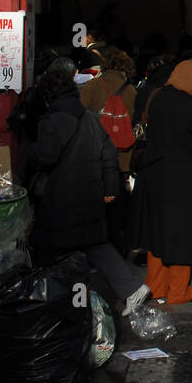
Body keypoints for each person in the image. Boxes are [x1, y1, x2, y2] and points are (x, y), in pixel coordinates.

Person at [27, 59, 149, 315]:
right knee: (93, 242)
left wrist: (31, 153)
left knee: (50, 245)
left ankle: (48, 299)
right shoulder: (91, 118)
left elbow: (46, 158)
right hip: (91, 190)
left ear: (48, 96)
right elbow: (108, 154)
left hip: (62, 194)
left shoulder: (51, 121)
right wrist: (109, 188)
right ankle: (129, 287)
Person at [127, 59, 192, 306]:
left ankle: (156, 287)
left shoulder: (158, 99)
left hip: (155, 176)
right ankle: (179, 292)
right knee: (182, 236)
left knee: (157, 235)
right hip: (185, 181)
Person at [80, 47, 138, 256]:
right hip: (122, 158)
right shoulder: (131, 92)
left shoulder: (93, 86)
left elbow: (80, 117)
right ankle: (118, 248)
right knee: (118, 210)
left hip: (96, 157)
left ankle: (96, 249)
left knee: (95, 210)